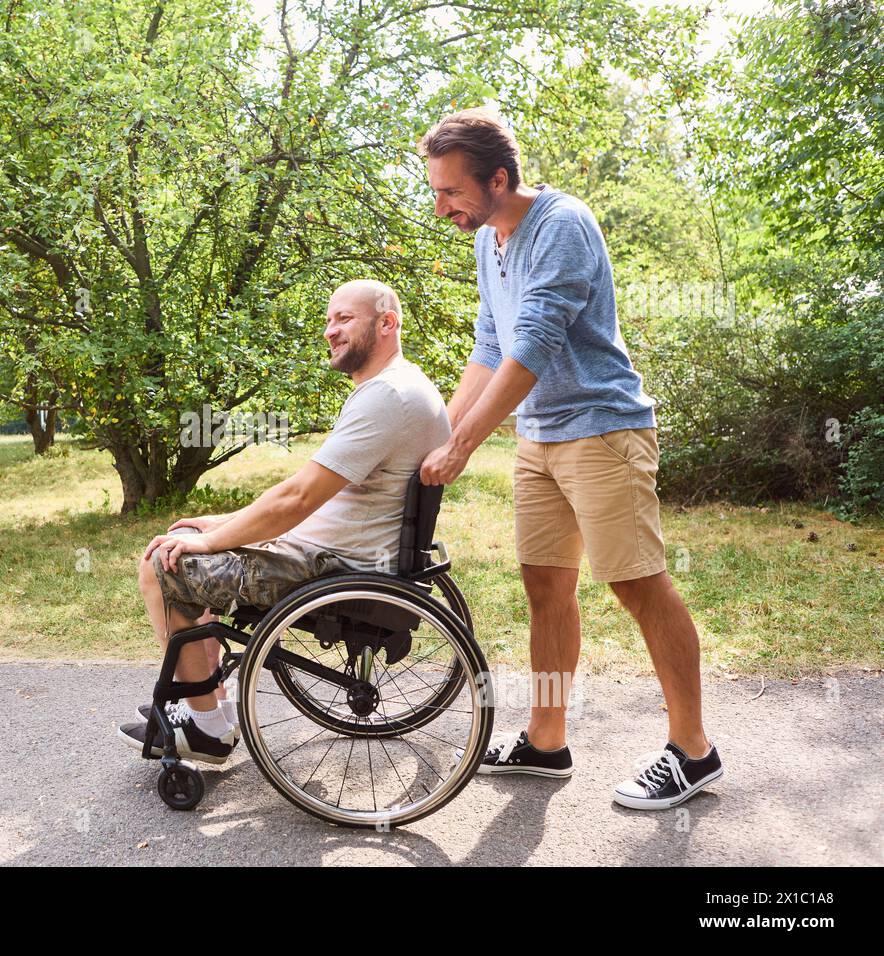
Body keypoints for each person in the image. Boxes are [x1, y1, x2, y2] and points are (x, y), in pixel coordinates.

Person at [417, 107, 722, 810]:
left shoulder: (562, 224)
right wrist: (435, 431)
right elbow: (489, 349)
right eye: (436, 192)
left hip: (602, 431)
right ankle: (546, 741)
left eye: (451, 191)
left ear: (498, 178)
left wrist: (463, 446)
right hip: (541, 436)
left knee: (638, 585)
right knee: (545, 590)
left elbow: (535, 344)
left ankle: (694, 751)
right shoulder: (487, 241)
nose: (442, 208)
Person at [118, 279, 451, 764]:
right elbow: (308, 494)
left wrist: (211, 542)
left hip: (329, 565)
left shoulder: (387, 397)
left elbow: (297, 499)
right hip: (338, 549)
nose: (330, 331)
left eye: (345, 319)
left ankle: (209, 729)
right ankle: (211, 710)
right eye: (329, 320)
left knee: (160, 565)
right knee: (186, 537)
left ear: (387, 323)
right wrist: (220, 523)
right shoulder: (403, 386)